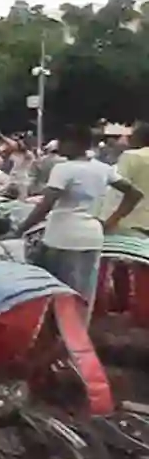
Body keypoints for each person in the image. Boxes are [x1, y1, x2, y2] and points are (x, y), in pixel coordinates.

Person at [16, 124, 143, 316]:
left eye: (63, 142)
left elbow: (45, 205)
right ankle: (79, 335)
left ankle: (59, 337)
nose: (60, 146)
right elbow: (134, 194)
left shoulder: (64, 169)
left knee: (58, 293)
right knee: (84, 294)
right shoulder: (103, 169)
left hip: (62, 237)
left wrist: (20, 229)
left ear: (76, 144)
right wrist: (111, 221)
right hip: (92, 236)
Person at [100, 121, 149, 236]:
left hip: (131, 222)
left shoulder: (132, 156)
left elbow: (116, 191)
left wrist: (108, 219)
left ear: (140, 138)